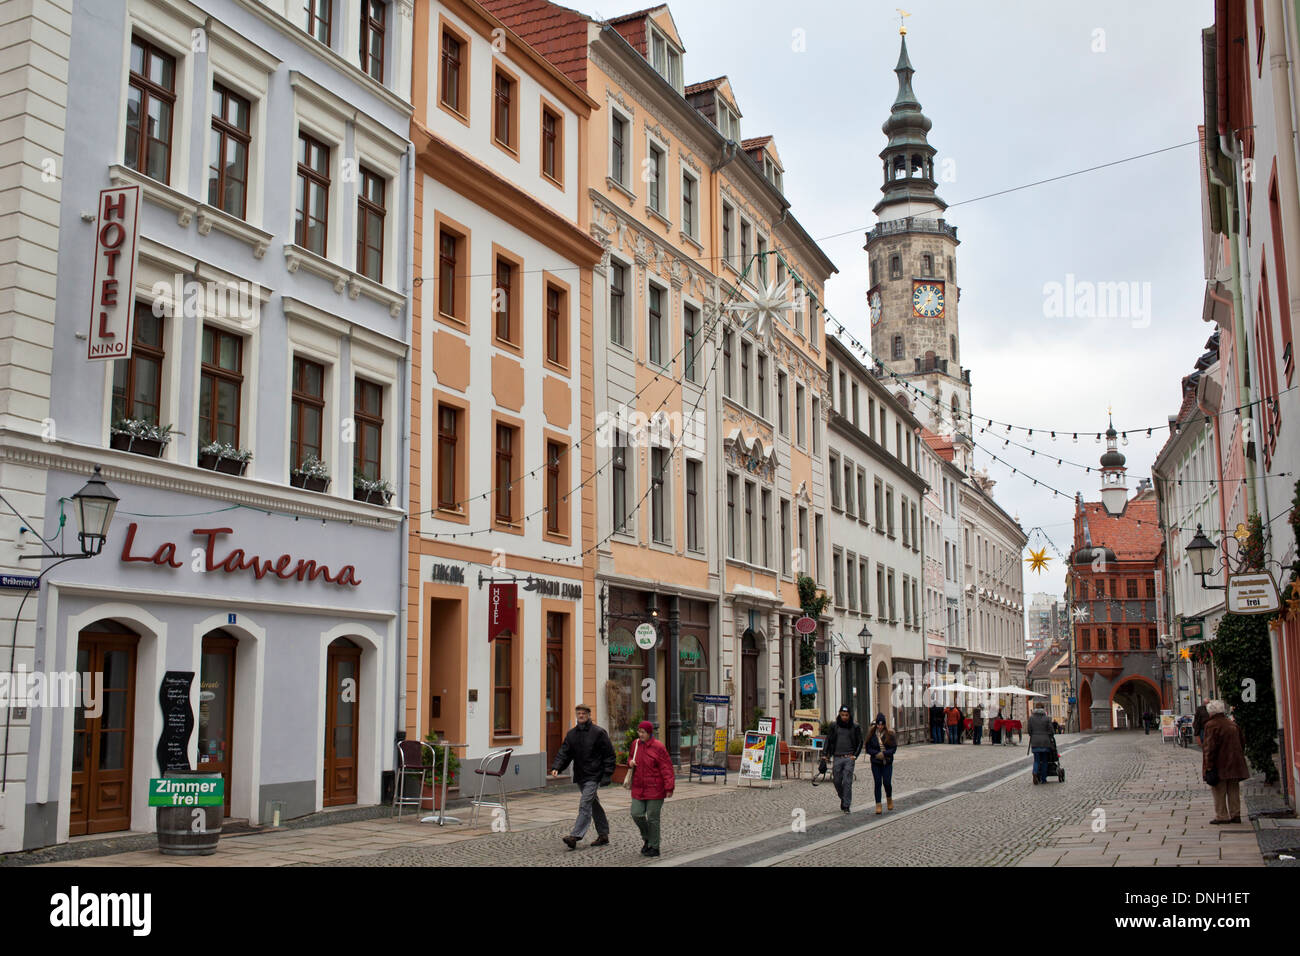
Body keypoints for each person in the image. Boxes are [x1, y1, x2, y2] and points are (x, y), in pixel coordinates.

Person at [549, 704, 616, 849]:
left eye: (583, 713)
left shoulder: (598, 732)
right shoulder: (572, 734)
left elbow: (609, 754)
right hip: (580, 775)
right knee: (593, 804)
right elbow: (564, 752)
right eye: (578, 713)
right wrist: (556, 767)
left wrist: (607, 774)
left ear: (589, 715)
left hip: (594, 775)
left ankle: (575, 836)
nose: (581, 715)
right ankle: (603, 835)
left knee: (585, 804)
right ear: (576, 715)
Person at [627, 720, 675, 857]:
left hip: (655, 788)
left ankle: (654, 847)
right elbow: (630, 757)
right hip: (638, 786)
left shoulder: (658, 747)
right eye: (639, 732)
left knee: (653, 818)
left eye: (643, 732)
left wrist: (669, 787)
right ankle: (648, 837)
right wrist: (630, 762)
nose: (640, 734)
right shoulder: (635, 744)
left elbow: (667, 767)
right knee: (636, 814)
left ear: (649, 733)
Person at [1202, 699, 1250, 824]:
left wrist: (1209, 766)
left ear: (1211, 712)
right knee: (1233, 790)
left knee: (1219, 790)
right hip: (1235, 763)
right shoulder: (1232, 723)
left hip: (1220, 764)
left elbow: (1209, 748)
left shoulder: (1211, 725)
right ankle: (1235, 814)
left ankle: (1222, 816)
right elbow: (1242, 742)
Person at [825, 705, 864, 812]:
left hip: (849, 758)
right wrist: (825, 754)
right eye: (842, 715)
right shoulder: (834, 726)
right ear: (839, 714)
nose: (844, 717)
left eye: (846, 715)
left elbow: (860, 741)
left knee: (847, 781)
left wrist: (855, 756)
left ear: (849, 715)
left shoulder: (855, 727)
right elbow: (828, 740)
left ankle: (846, 805)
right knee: (836, 780)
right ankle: (843, 798)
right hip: (837, 757)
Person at [865, 713, 898, 814]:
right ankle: (878, 804)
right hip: (876, 762)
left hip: (886, 762)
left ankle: (889, 798)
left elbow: (893, 748)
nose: (880, 727)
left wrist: (884, 754)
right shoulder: (871, 734)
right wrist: (876, 754)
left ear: (884, 725)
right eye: (878, 725)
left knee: (887, 782)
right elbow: (868, 748)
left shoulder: (890, 734)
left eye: (882, 725)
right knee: (878, 782)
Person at [1028, 701, 1055, 784]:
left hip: (1035, 741)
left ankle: (1035, 772)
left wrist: (1033, 735)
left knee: (1036, 760)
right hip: (1045, 742)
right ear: (1043, 709)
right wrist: (1050, 736)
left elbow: (1029, 731)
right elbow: (1051, 731)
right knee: (1044, 761)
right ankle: (1043, 778)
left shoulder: (1031, 718)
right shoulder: (1047, 718)